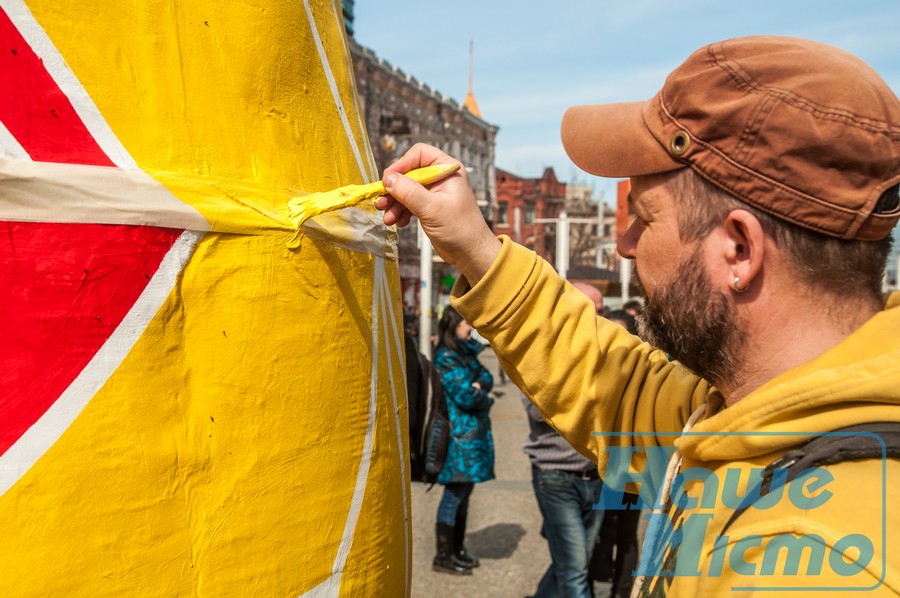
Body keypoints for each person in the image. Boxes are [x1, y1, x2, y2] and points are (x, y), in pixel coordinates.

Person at [376, 36, 900, 595]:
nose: (624, 245)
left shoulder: (819, 561)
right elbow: (614, 388)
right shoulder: (759, 416)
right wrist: (478, 249)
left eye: (645, 219)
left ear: (739, 249)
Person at [523, 282, 605, 598]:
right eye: (590, 307)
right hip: (555, 475)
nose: (597, 314)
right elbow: (541, 408)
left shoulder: (604, 347)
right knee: (575, 573)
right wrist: (598, 395)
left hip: (597, 474)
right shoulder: (541, 348)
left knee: (573, 562)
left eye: (600, 309)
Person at [431, 306, 494, 575]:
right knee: (454, 496)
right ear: (453, 323)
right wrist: (483, 394)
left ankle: (457, 550)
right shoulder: (446, 356)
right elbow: (466, 395)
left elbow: (487, 377)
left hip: (471, 437)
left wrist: (479, 386)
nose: (470, 326)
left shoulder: (464, 353)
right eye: (466, 322)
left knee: (464, 495)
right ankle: (443, 556)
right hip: (458, 439)